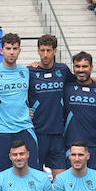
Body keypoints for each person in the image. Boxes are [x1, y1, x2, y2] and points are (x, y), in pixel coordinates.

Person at [0, 34, 37, 172]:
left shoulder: (26, 71)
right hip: (1, 130)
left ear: (19, 50)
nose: (11, 52)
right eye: (8, 48)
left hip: (25, 128)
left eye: (15, 48)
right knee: (0, 176)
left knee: (32, 174)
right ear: (2, 50)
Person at [27, 36, 70, 173]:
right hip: (37, 132)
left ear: (55, 51)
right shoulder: (29, 72)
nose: (45, 55)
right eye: (42, 50)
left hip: (58, 133)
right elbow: (17, 94)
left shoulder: (63, 70)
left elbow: (82, 82)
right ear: (38, 51)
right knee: (36, 177)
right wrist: (24, 109)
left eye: (49, 50)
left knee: (61, 181)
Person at [63, 52, 96, 173]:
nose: (81, 70)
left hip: (95, 147)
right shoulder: (66, 87)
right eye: (77, 66)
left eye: (84, 66)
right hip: (72, 148)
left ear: (91, 67)